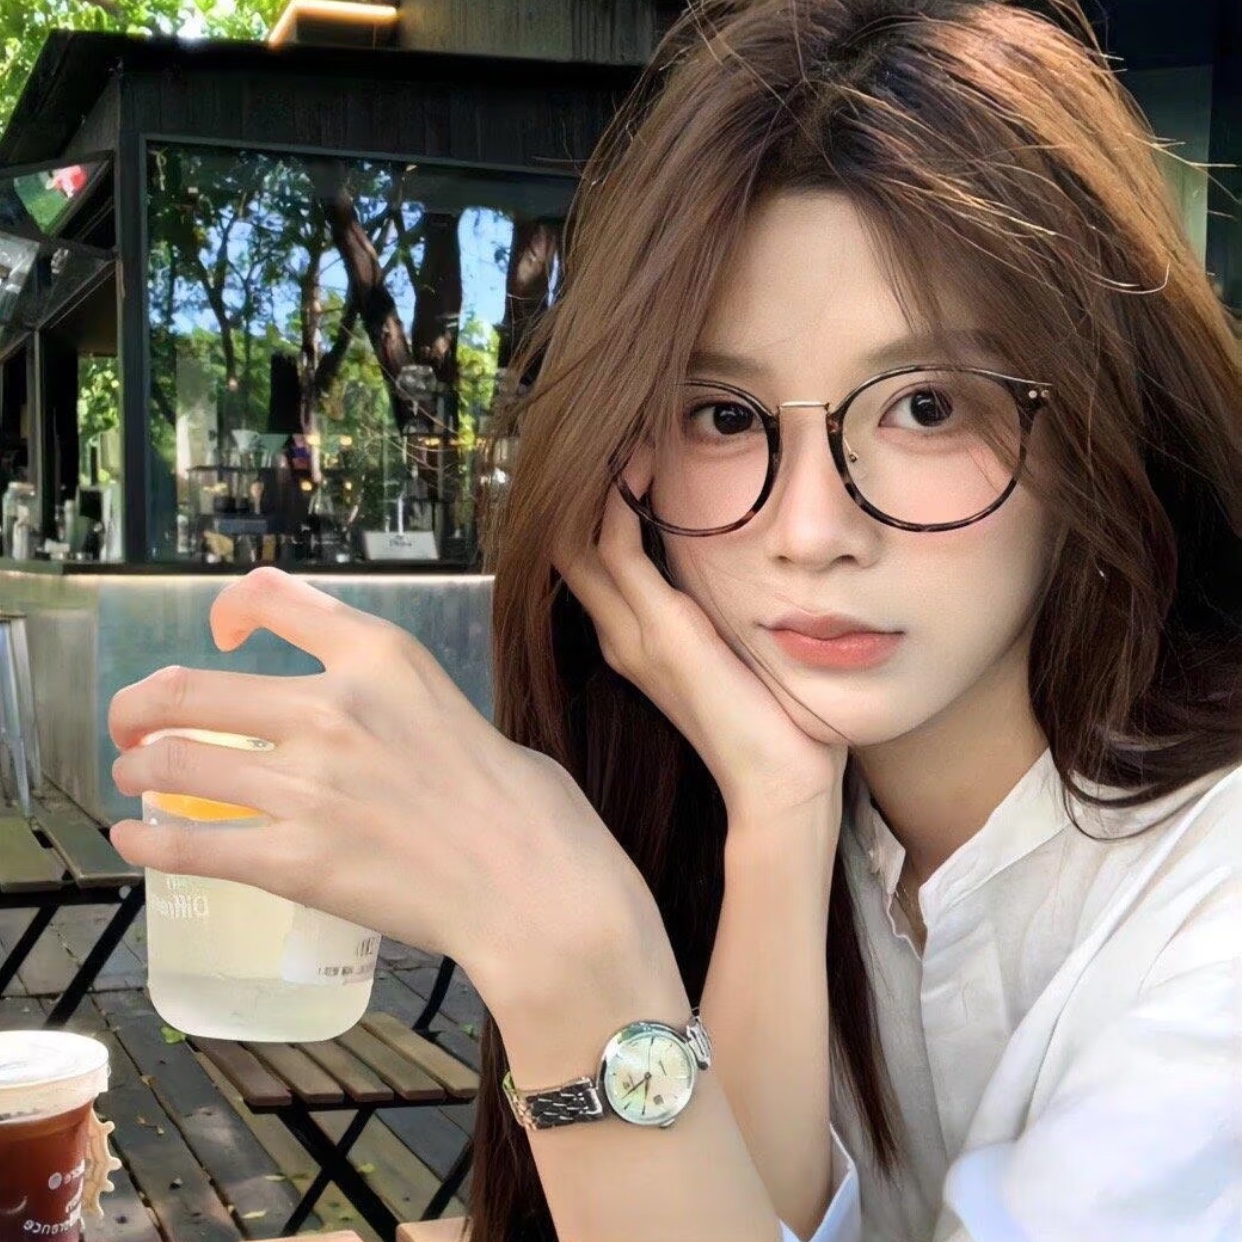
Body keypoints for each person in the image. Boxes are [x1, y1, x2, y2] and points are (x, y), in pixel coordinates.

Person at [107, 1, 1241, 1239]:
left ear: (1100, 426)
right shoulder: (761, 802)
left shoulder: (1212, 906)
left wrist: (566, 956)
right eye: (725, 416)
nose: (810, 529)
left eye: (926, 405)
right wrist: (781, 821)